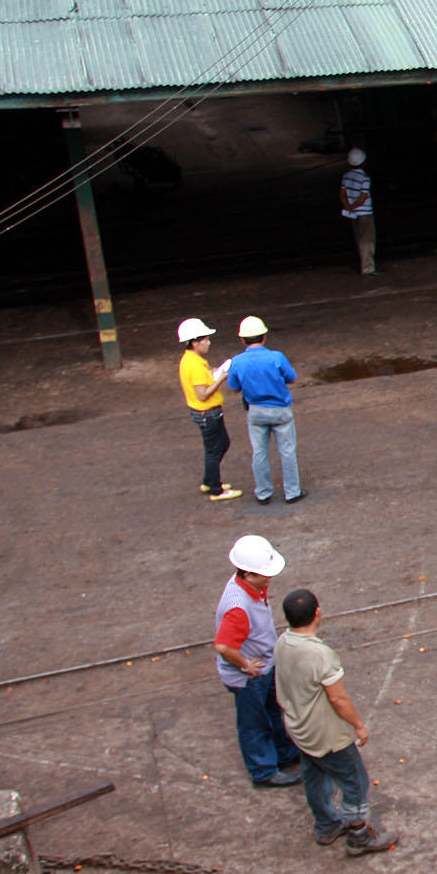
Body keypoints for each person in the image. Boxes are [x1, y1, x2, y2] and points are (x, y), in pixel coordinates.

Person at [275, 589, 399, 855]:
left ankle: (326, 825)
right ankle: (359, 834)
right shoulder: (320, 655)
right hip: (325, 733)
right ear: (317, 613)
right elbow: (339, 699)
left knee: (314, 776)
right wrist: (358, 725)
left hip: (299, 728)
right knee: (355, 781)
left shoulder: (283, 642)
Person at [213, 534, 301, 787]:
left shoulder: (251, 586)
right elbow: (223, 646)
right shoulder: (238, 607)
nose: (270, 579)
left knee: (273, 710)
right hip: (250, 675)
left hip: (264, 666)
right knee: (255, 722)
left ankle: (283, 754)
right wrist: (245, 664)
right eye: (265, 574)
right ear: (248, 574)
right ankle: (263, 770)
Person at [223, 315, 303, 505]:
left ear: (242, 339)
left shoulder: (237, 362)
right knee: (287, 452)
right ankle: (292, 492)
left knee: (259, 453)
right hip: (280, 410)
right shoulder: (276, 357)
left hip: (256, 411)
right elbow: (292, 378)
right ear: (264, 336)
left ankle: (263, 492)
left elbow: (233, 387)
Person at [177, 318, 240, 502]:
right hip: (208, 412)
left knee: (216, 446)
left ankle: (209, 480)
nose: (208, 342)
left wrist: (214, 373)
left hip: (204, 413)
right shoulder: (194, 365)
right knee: (216, 448)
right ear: (195, 342)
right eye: (205, 339)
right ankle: (215, 488)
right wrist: (221, 378)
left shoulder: (191, 360)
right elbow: (202, 394)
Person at [339, 148, 375, 275]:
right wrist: (354, 206)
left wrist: (348, 207)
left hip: (353, 213)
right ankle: (368, 267)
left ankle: (363, 264)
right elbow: (363, 197)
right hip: (364, 212)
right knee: (367, 240)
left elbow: (342, 194)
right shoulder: (365, 178)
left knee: (359, 239)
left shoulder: (346, 176)